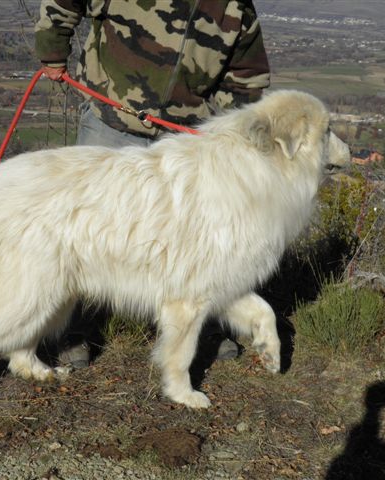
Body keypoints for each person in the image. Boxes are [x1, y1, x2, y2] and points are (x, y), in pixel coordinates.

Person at [34, 0, 271, 367]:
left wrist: (234, 138)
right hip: (111, 121)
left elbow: (246, 76)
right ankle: (77, 328)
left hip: (188, 138)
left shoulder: (234, 4)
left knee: (197, 236)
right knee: (88, 227)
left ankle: (202, 324)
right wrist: (52, 49)